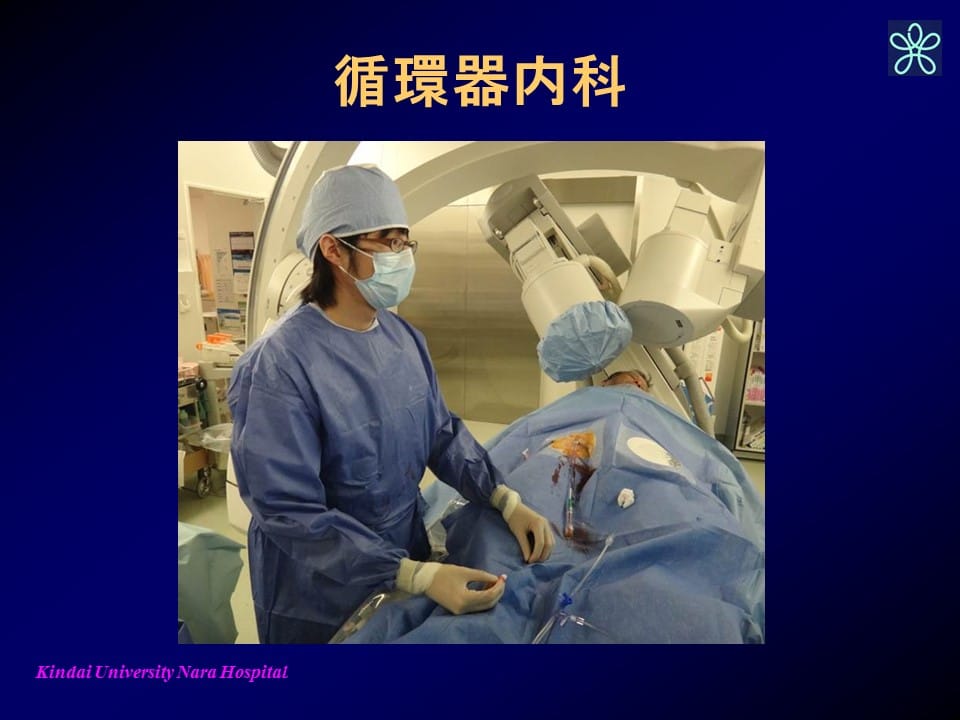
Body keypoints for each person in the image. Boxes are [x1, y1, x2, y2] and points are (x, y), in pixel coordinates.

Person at [227, 164, 554, 643]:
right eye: (387, 241)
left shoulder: (403, 338)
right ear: (333, 249)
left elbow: (441, 435)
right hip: (316, 589)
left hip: (402, 551)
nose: (402, 255)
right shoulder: (278, 366)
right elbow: (289, 512)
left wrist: (504, 500)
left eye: (405, 242)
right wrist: (414, 575)